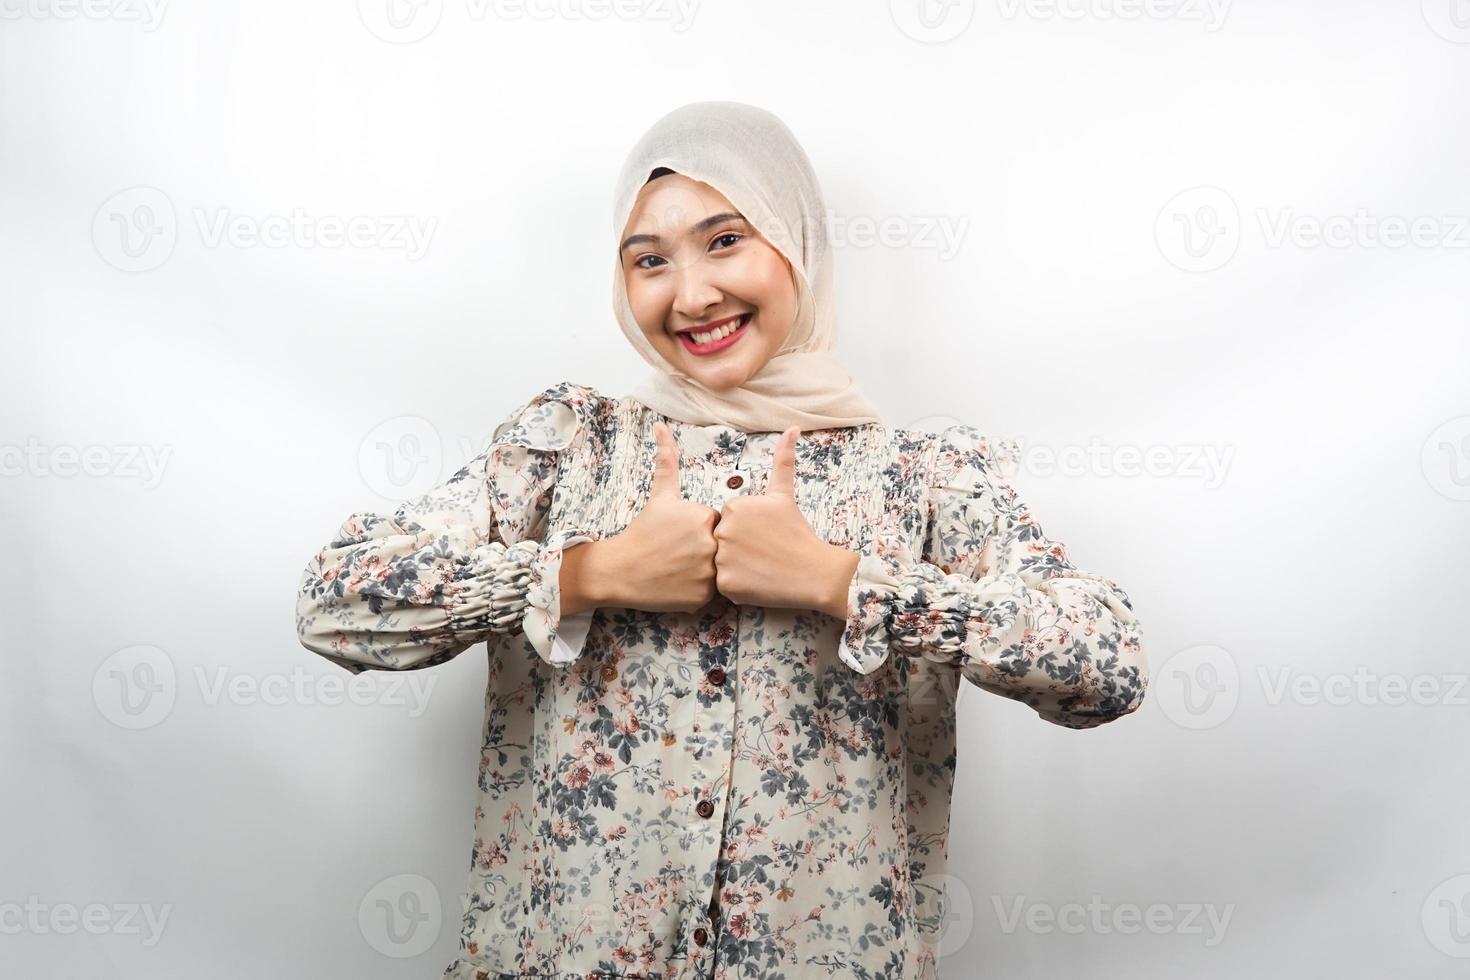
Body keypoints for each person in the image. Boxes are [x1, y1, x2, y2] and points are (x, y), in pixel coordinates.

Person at [294, 100, 1149, 980]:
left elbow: (1109, 664)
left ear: (796, 241)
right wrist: (588, 573)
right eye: (650, 260)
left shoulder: (916, 475)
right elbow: (335, 604)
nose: (693, 294)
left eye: (727, 239)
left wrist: (843, 582)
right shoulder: (572, 447)